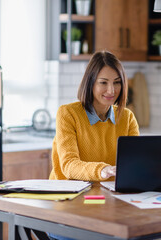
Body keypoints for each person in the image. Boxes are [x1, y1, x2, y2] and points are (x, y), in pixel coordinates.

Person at [47, 51, 139, 240]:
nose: (111, 90)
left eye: (117, 82)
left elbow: (136, 163)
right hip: (68, 205)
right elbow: (69, 165)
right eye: (103, 82)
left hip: (110, 206)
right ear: (90, 83)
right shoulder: (68, 114)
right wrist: (102, 170)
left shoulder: (127, 117)